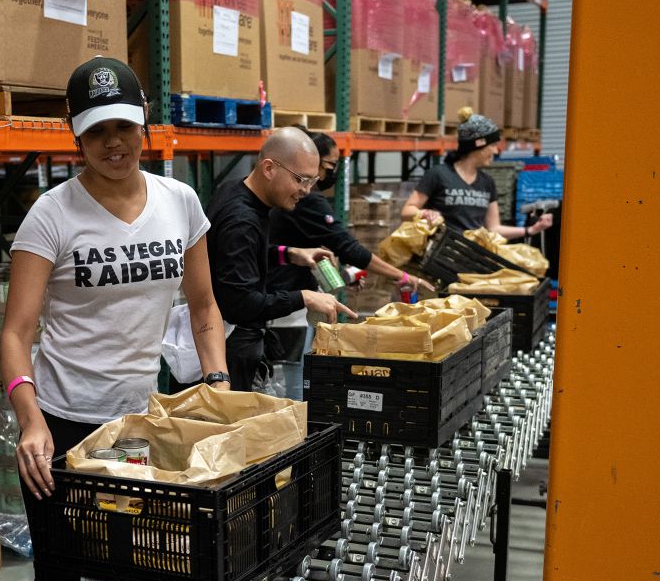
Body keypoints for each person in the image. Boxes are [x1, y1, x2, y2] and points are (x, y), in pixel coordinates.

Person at [0, 56, 228, 581]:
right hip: (66, 423)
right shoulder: (51, 216)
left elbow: (204, 306)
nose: (114, 144)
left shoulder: (180, 202)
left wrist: (215, 382)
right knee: (67, 574)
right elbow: (15, 334)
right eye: (98, 131)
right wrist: (31, 421)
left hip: (141, 420)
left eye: (124, 126)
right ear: (75, 133)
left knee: (152, 562)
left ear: (143, 124)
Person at [267, 127, 434, 398]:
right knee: (293, 387)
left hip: (290, 301)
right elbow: (348, 247)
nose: (332, 173)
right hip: (285, 308)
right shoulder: (307, 201)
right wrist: (400, 276)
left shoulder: (296, 201)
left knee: (294, 381)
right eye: (330, 165)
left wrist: (342, 274)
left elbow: (308, 250)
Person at [207, 127, 357, 391]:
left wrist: (288, 254)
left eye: (311, 181)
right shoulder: (241, 220)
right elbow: (240, 304)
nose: (306, 191)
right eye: (301, 180)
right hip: (231, 353)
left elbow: (239, 256)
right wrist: (304, 297)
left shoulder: (237, 191)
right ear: (269, 168)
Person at [401, 108, 554, 239]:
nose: (495, 150)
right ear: (478, 145)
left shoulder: (487, 182)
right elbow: (407, 210)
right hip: (440, 254)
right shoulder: (438, 174)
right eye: (493, 145)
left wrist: (532, 230)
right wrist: (424, 213)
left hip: (472, 256)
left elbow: (494, 229)